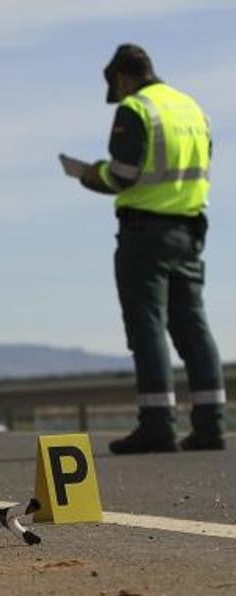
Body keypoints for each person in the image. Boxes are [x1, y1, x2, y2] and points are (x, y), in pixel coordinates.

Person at [74, 44, 225, 453]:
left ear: (122, 78)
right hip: (190, 230)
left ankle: (159, 424)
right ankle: (211, 424)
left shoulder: (136, 109)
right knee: (193, 325)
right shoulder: (191, 109)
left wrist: (89, 175)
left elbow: (123, 175)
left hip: (145, 233)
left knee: (148, 327)